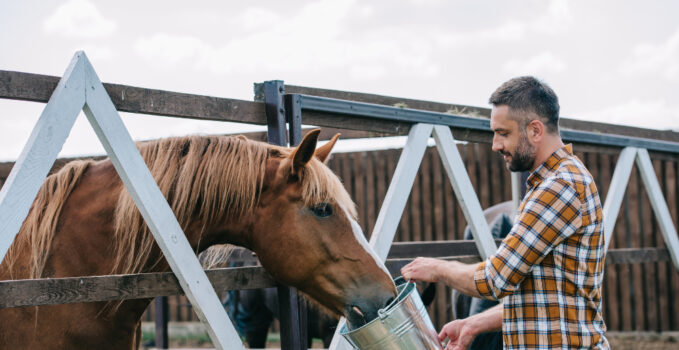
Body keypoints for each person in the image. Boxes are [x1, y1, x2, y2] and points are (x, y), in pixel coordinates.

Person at [402, 76, 608, 350]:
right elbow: (542, 297)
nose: (495, 145)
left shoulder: (560, 187)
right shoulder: (553, 183)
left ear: (535, 130)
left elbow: (495, 279)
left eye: (504, 133)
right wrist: (474, 323)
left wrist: (438, 268)